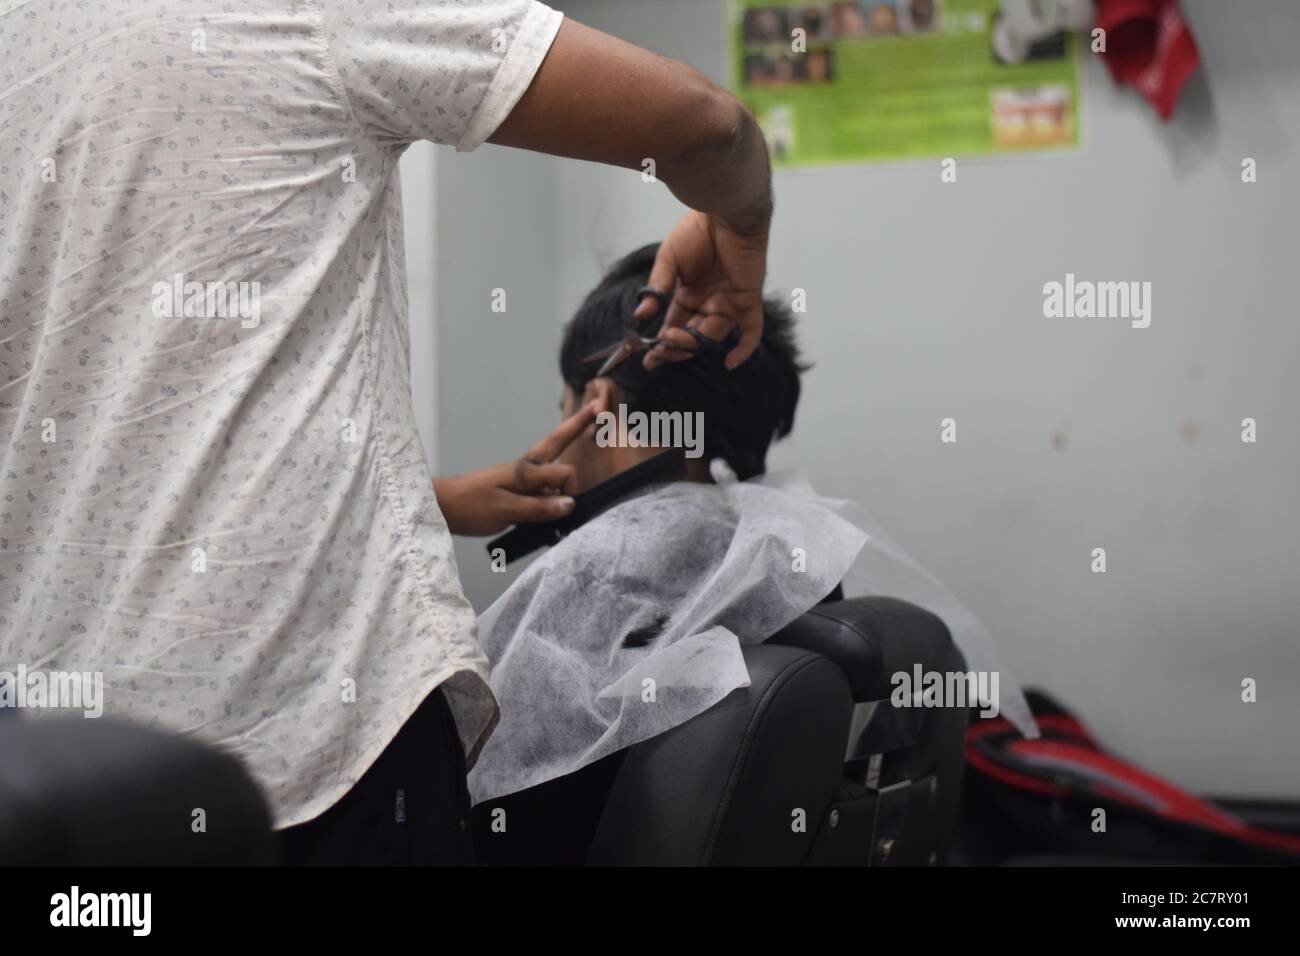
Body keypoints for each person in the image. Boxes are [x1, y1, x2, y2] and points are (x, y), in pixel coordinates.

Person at [0, 1, 772, 865]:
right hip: (309, 738)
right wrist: (742, 225)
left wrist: (426, 500)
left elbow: (100, 436)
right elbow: (707, 128)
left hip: (53, 773)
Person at [467, 246, 1035, 862]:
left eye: (562, 407)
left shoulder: (602, 571)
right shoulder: (786, 556)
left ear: (597, 404)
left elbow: (474, 806)